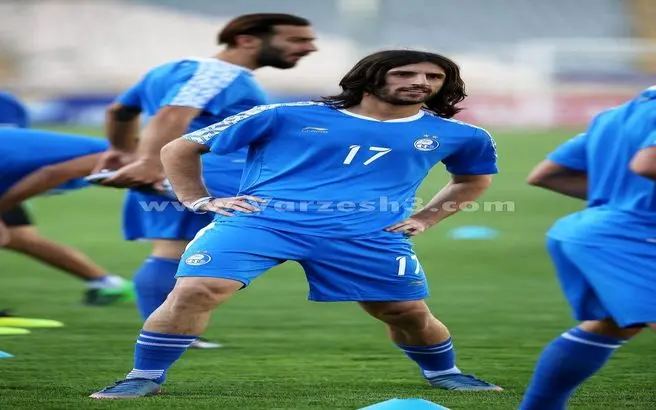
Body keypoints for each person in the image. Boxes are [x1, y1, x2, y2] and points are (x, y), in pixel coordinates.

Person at [90, 49, 501, 399]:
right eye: (405, 73)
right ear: (371, 77)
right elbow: (180, 147)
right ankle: (143, 377)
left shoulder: (461, 135)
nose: (421, 82)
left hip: (366, 234)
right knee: (196, 289)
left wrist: (426, 218)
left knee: (404, 311)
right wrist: (198, 199)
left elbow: (471, 179)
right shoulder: (285, 114)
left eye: (433, 77)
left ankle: (445, 372)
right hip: (261, 223)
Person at [91, 13, 317, 348]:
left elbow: (119, 112)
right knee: (324, 228)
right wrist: (149, 163)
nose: (310, 48)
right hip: (206, 176)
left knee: (170, 251)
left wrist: (122, 151)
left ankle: (168, 335)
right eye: (297, 40)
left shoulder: (168, 70)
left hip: (170, 174)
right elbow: (173, 114)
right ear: (246, 40)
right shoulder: (218, 73)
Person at [519, 86, 656, 410]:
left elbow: (546, 175)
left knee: (612, 326)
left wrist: (624, 200)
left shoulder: (616, 115)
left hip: (598, 231)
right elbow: (648, 164)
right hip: (635, 237)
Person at [0, 127, 134, 306]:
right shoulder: (118, 157)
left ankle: (107, 284)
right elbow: (50, 174)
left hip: (5, 177)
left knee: (18, 237)